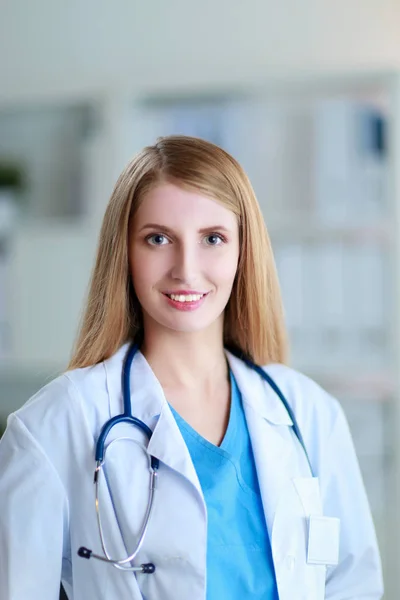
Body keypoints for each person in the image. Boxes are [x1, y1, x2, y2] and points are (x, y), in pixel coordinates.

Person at [0, 135, 383, 600]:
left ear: (244, 251)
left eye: (213, 239)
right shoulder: (55, 425)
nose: (186, 268)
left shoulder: (309, 412)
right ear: (125, 252)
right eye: (158, 239)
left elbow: (352, 582)